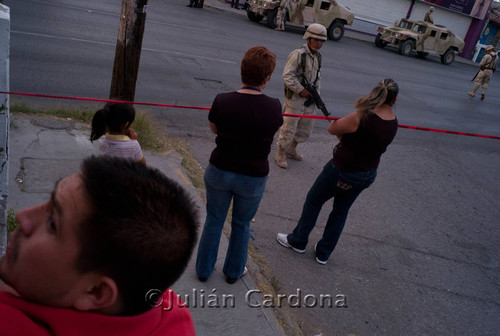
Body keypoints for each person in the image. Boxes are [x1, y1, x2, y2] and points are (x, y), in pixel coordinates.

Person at [0, 156, 199, 335]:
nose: (22, 216)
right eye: (48, 201)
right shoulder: (172, 313)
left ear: (95, 291)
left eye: (52, 224)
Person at [276, 79, 399, 265]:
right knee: (340, 212)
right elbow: (371, 143)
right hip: (367, 173)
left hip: (343, 168)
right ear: (394, 100)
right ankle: (324, 252)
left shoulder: (362, 116)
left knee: (314, 201)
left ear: (375, 92)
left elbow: (333, 128)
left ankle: (298, 241)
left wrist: (345, 135)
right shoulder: (393, 122)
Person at [196, 46, 283, 284]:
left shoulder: (222, 100)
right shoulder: (274, 106)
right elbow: (273, 132)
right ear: (266, 79)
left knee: (214, 220)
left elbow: (215, 129)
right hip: (252, 176)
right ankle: (233, 272)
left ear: (242, 71)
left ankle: (203, 270)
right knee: (242, 224)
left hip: (220, 169)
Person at [275, 23, 327, 169]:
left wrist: (318, 98)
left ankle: (292, 148)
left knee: (305, 127)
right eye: (316, 39)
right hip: (296, 99)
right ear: (309, 38)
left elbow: (317, 78)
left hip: (309, 99)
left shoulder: (318, 57)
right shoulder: (298, 55)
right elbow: (287, 76)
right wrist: (300, 90)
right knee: (289, 127)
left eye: (321, 41)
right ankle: (281, 152)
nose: (319, 43)